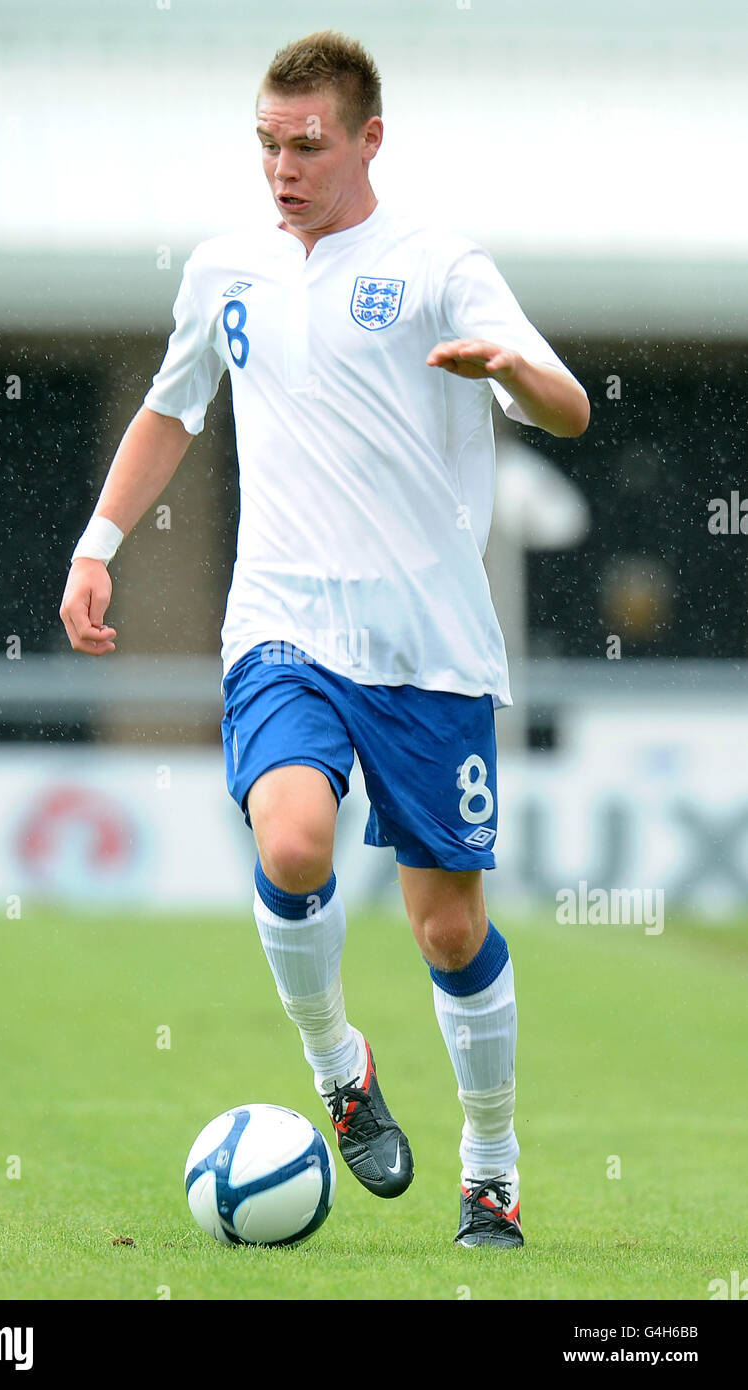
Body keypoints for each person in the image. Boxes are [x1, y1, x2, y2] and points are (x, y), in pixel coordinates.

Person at [59, 30, 589, 1248]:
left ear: (366, 140)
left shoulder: (438, 263)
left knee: (445, 926)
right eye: (265, 143)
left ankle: (491, 1165)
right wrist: (96, 544)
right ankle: (337, 1067)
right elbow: (168, 406)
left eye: (306, 144)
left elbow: (564, 401)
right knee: (292, 843)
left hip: (429, 647)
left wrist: (511, 366)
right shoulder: (226, 268)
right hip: (283, 625)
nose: (282, 167)